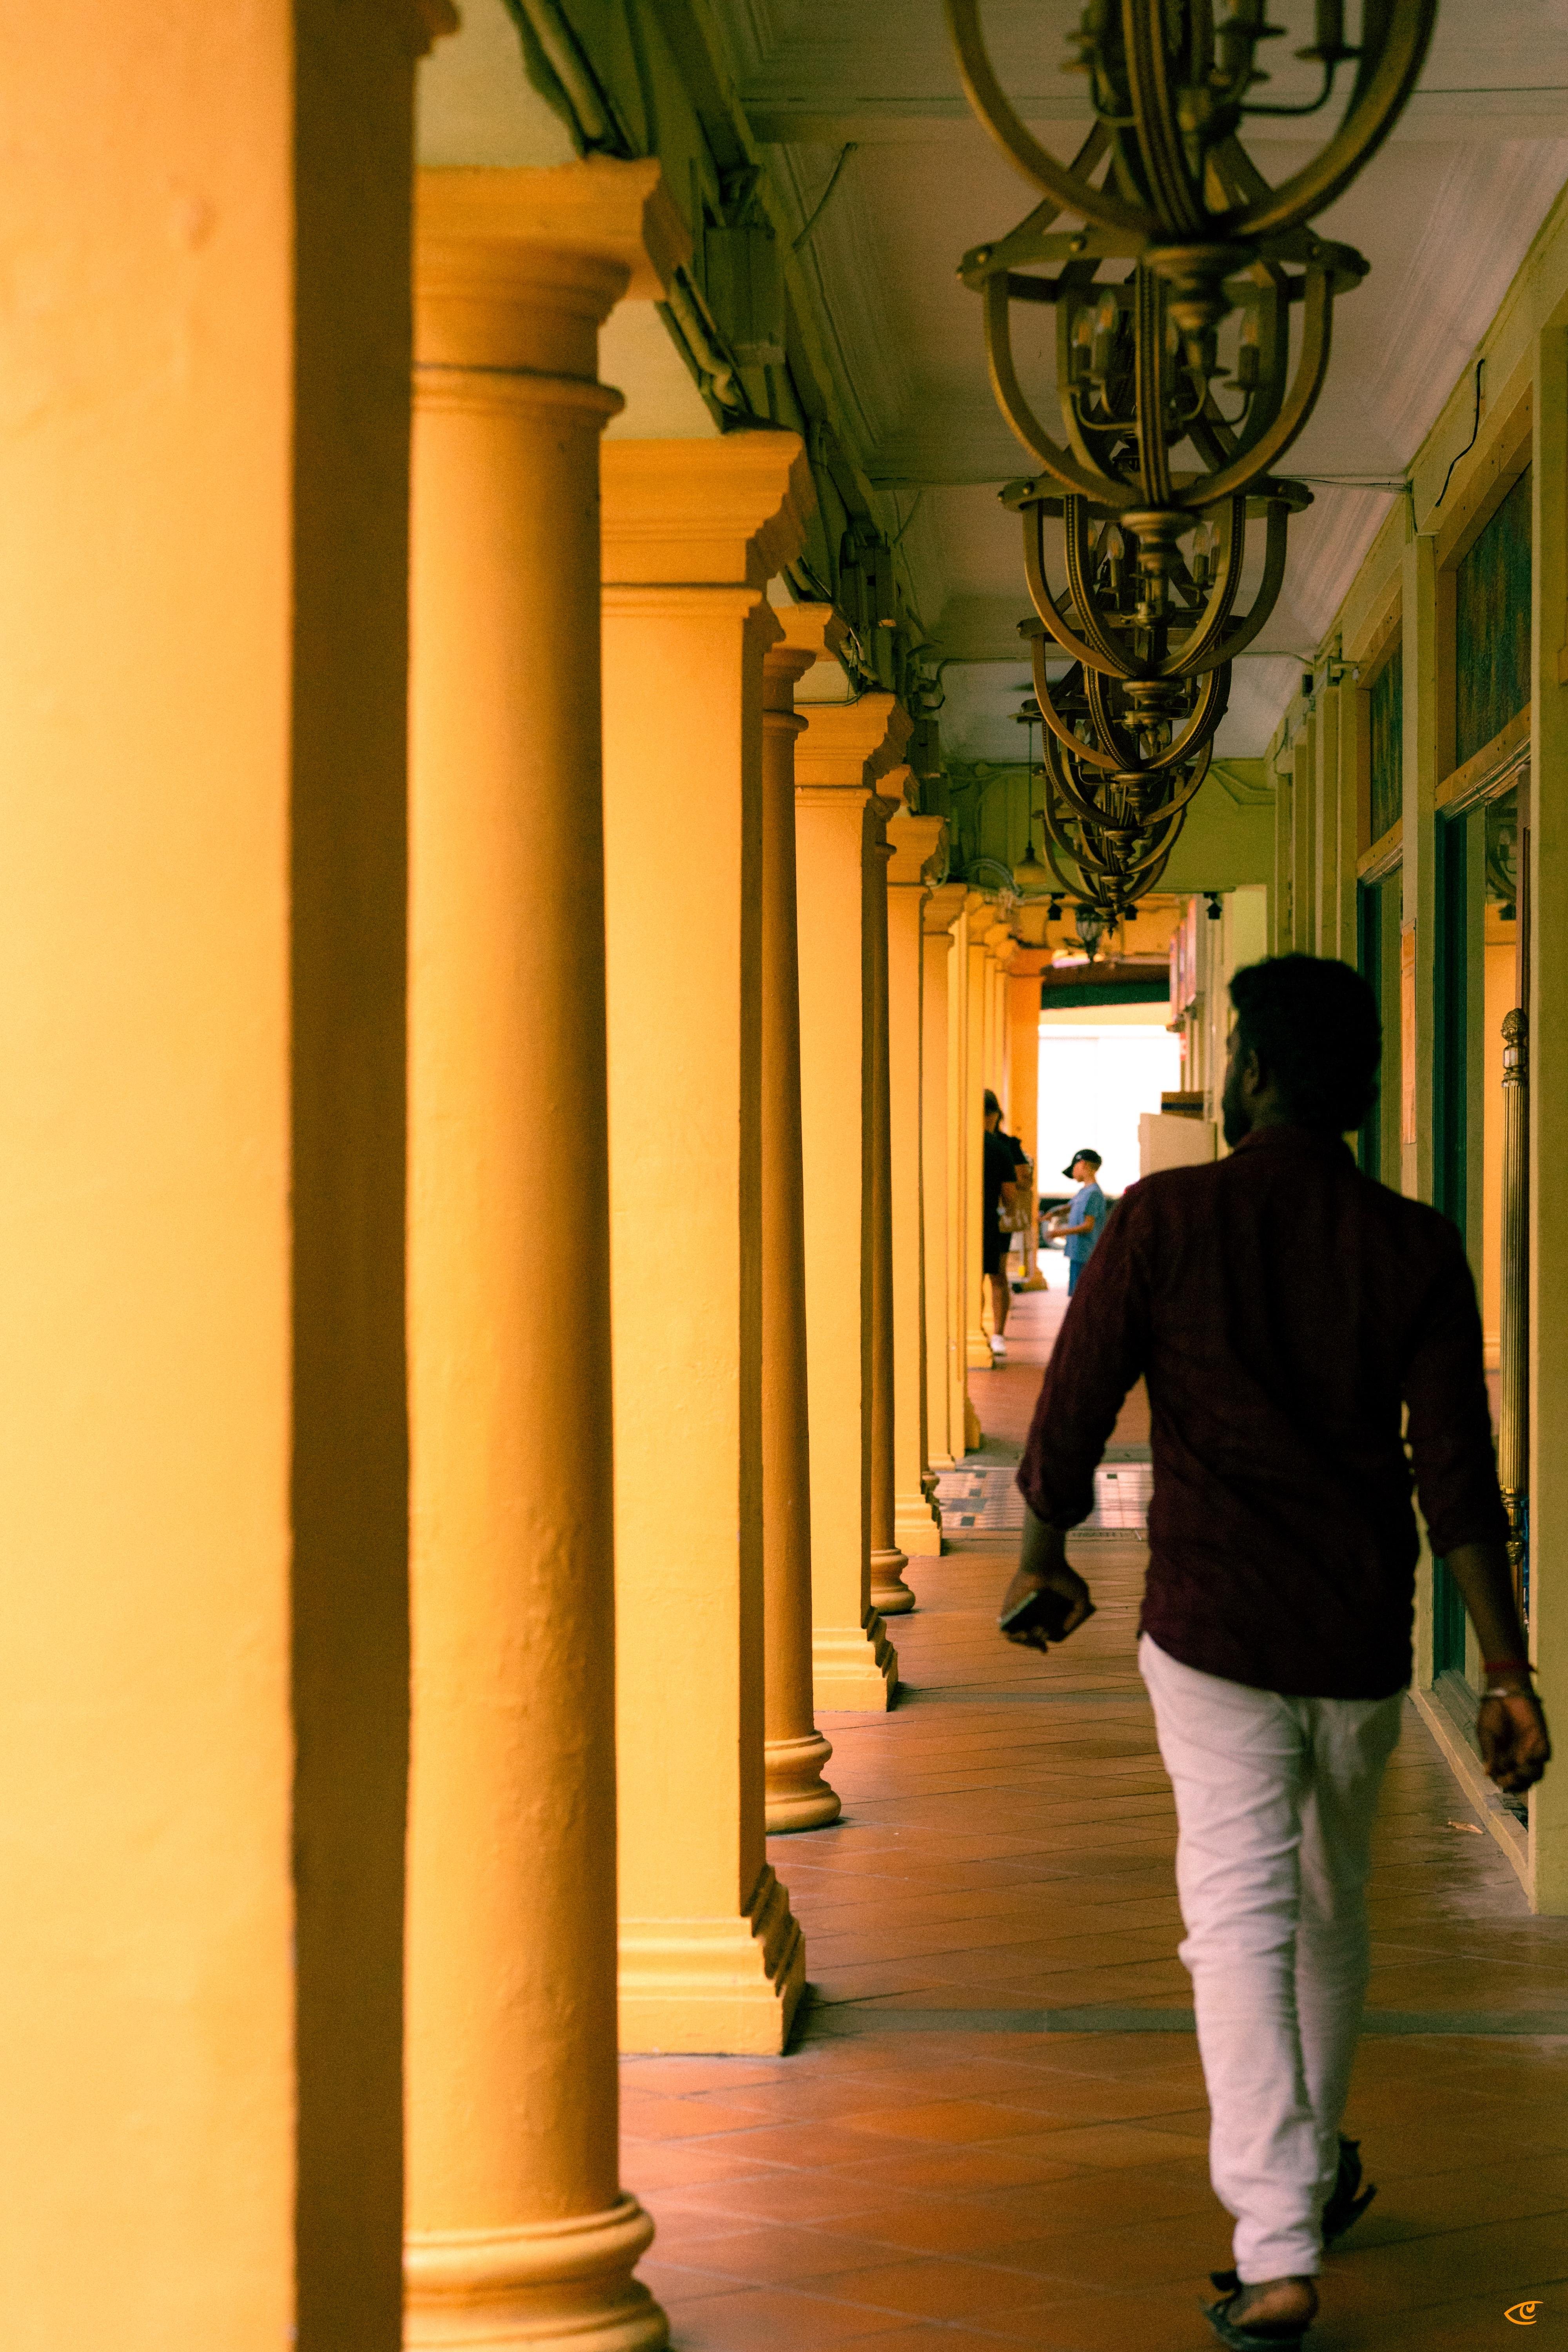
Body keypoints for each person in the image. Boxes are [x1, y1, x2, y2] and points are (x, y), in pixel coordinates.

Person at [998, 954, 1550, 2352]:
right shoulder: (1409, 1241)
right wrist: (1500, 1667)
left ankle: (1276, 2239)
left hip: (1213, 1627)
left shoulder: (1164, 1218)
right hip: (1360, 1633)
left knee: (1240, 1922)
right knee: (1324, 1906)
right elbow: (1458, 1470)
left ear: (1253, 1069)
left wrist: (1043, 1546)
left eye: (1232, 1044)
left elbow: (1073, 1400)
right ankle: (1300, 2179)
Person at [981, 1090, 1022, 1362]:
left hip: (967, 1223)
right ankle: (997, 1335)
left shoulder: (961, 1144)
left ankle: (977, 1330)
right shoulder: (1001, 1148)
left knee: (973, 1279)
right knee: (998, 1277)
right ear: (995, 1115)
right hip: (992, 1223)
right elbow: (1010, 1195)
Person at [1049, 1148, 1107, 1294]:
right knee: (1077, 1293)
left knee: (1082, 1295)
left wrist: (1060, 1232)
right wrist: (1048, 1215)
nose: (1073, 1173)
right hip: (1078, 1253)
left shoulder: (1093, 1193)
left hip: (1086, 1253)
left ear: (1083, 1165)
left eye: (1074, 1167)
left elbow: (1088, 1226)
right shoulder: (1084, 1192)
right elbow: (1068, 1207)